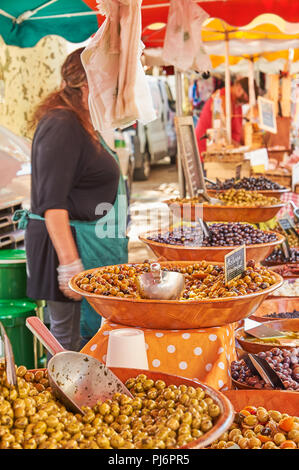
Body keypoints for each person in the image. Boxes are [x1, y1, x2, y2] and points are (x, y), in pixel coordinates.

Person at [14, 48, 129, 352]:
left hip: (89, 242)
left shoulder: (83, 121)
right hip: (65, 246)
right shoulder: (62, 124)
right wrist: (70, 265)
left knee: (86, 341)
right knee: (69, 343)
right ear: (88, 82)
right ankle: (70, 398)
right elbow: (52, 205)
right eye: (110, 82)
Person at [195, 77, 258, 157]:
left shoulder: (237, 104)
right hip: (209, 154)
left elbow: (239, 131)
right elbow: (221, 134)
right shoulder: (222, 99)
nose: (247, 101)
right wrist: (239, 147)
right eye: (246, 97)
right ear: (239, 88)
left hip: (227, 152)